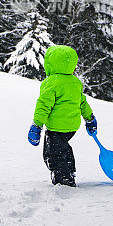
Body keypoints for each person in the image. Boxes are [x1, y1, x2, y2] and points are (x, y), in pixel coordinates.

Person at [27, 45, 97, 187]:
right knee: (63, 147)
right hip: (72, 126)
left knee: (52, 154)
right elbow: (82, 102)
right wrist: (90, 118)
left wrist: (37, 125)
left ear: (50, 63)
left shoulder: (51, 82)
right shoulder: (75, 82)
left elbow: (43, 105)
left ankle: (64, 180)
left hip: (56, 127)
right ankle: (70, 169)